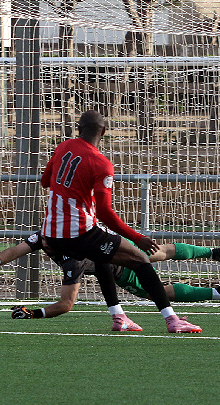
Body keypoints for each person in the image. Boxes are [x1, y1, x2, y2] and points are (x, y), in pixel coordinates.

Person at [35, 110, 203, 333]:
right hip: (79, 232)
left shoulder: (63, 146)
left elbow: (45, 181)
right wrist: (138, 238)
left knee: (102, 257)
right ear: (104, 132)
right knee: (140, 259)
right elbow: (104, 213)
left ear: (78, 129)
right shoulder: (101, 164)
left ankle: (119, 317)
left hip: (51, 235)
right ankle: (173, 320)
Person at [0, 234, 220, 324]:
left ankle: (218, 290)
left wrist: (33, 313)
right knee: (157, 252)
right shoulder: (49, 235)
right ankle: (214, 256)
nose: (42, 242)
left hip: (117, 267)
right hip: (111, 244)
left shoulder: (72, 261)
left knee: (155, 291)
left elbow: (66, 304)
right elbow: (18, 248)